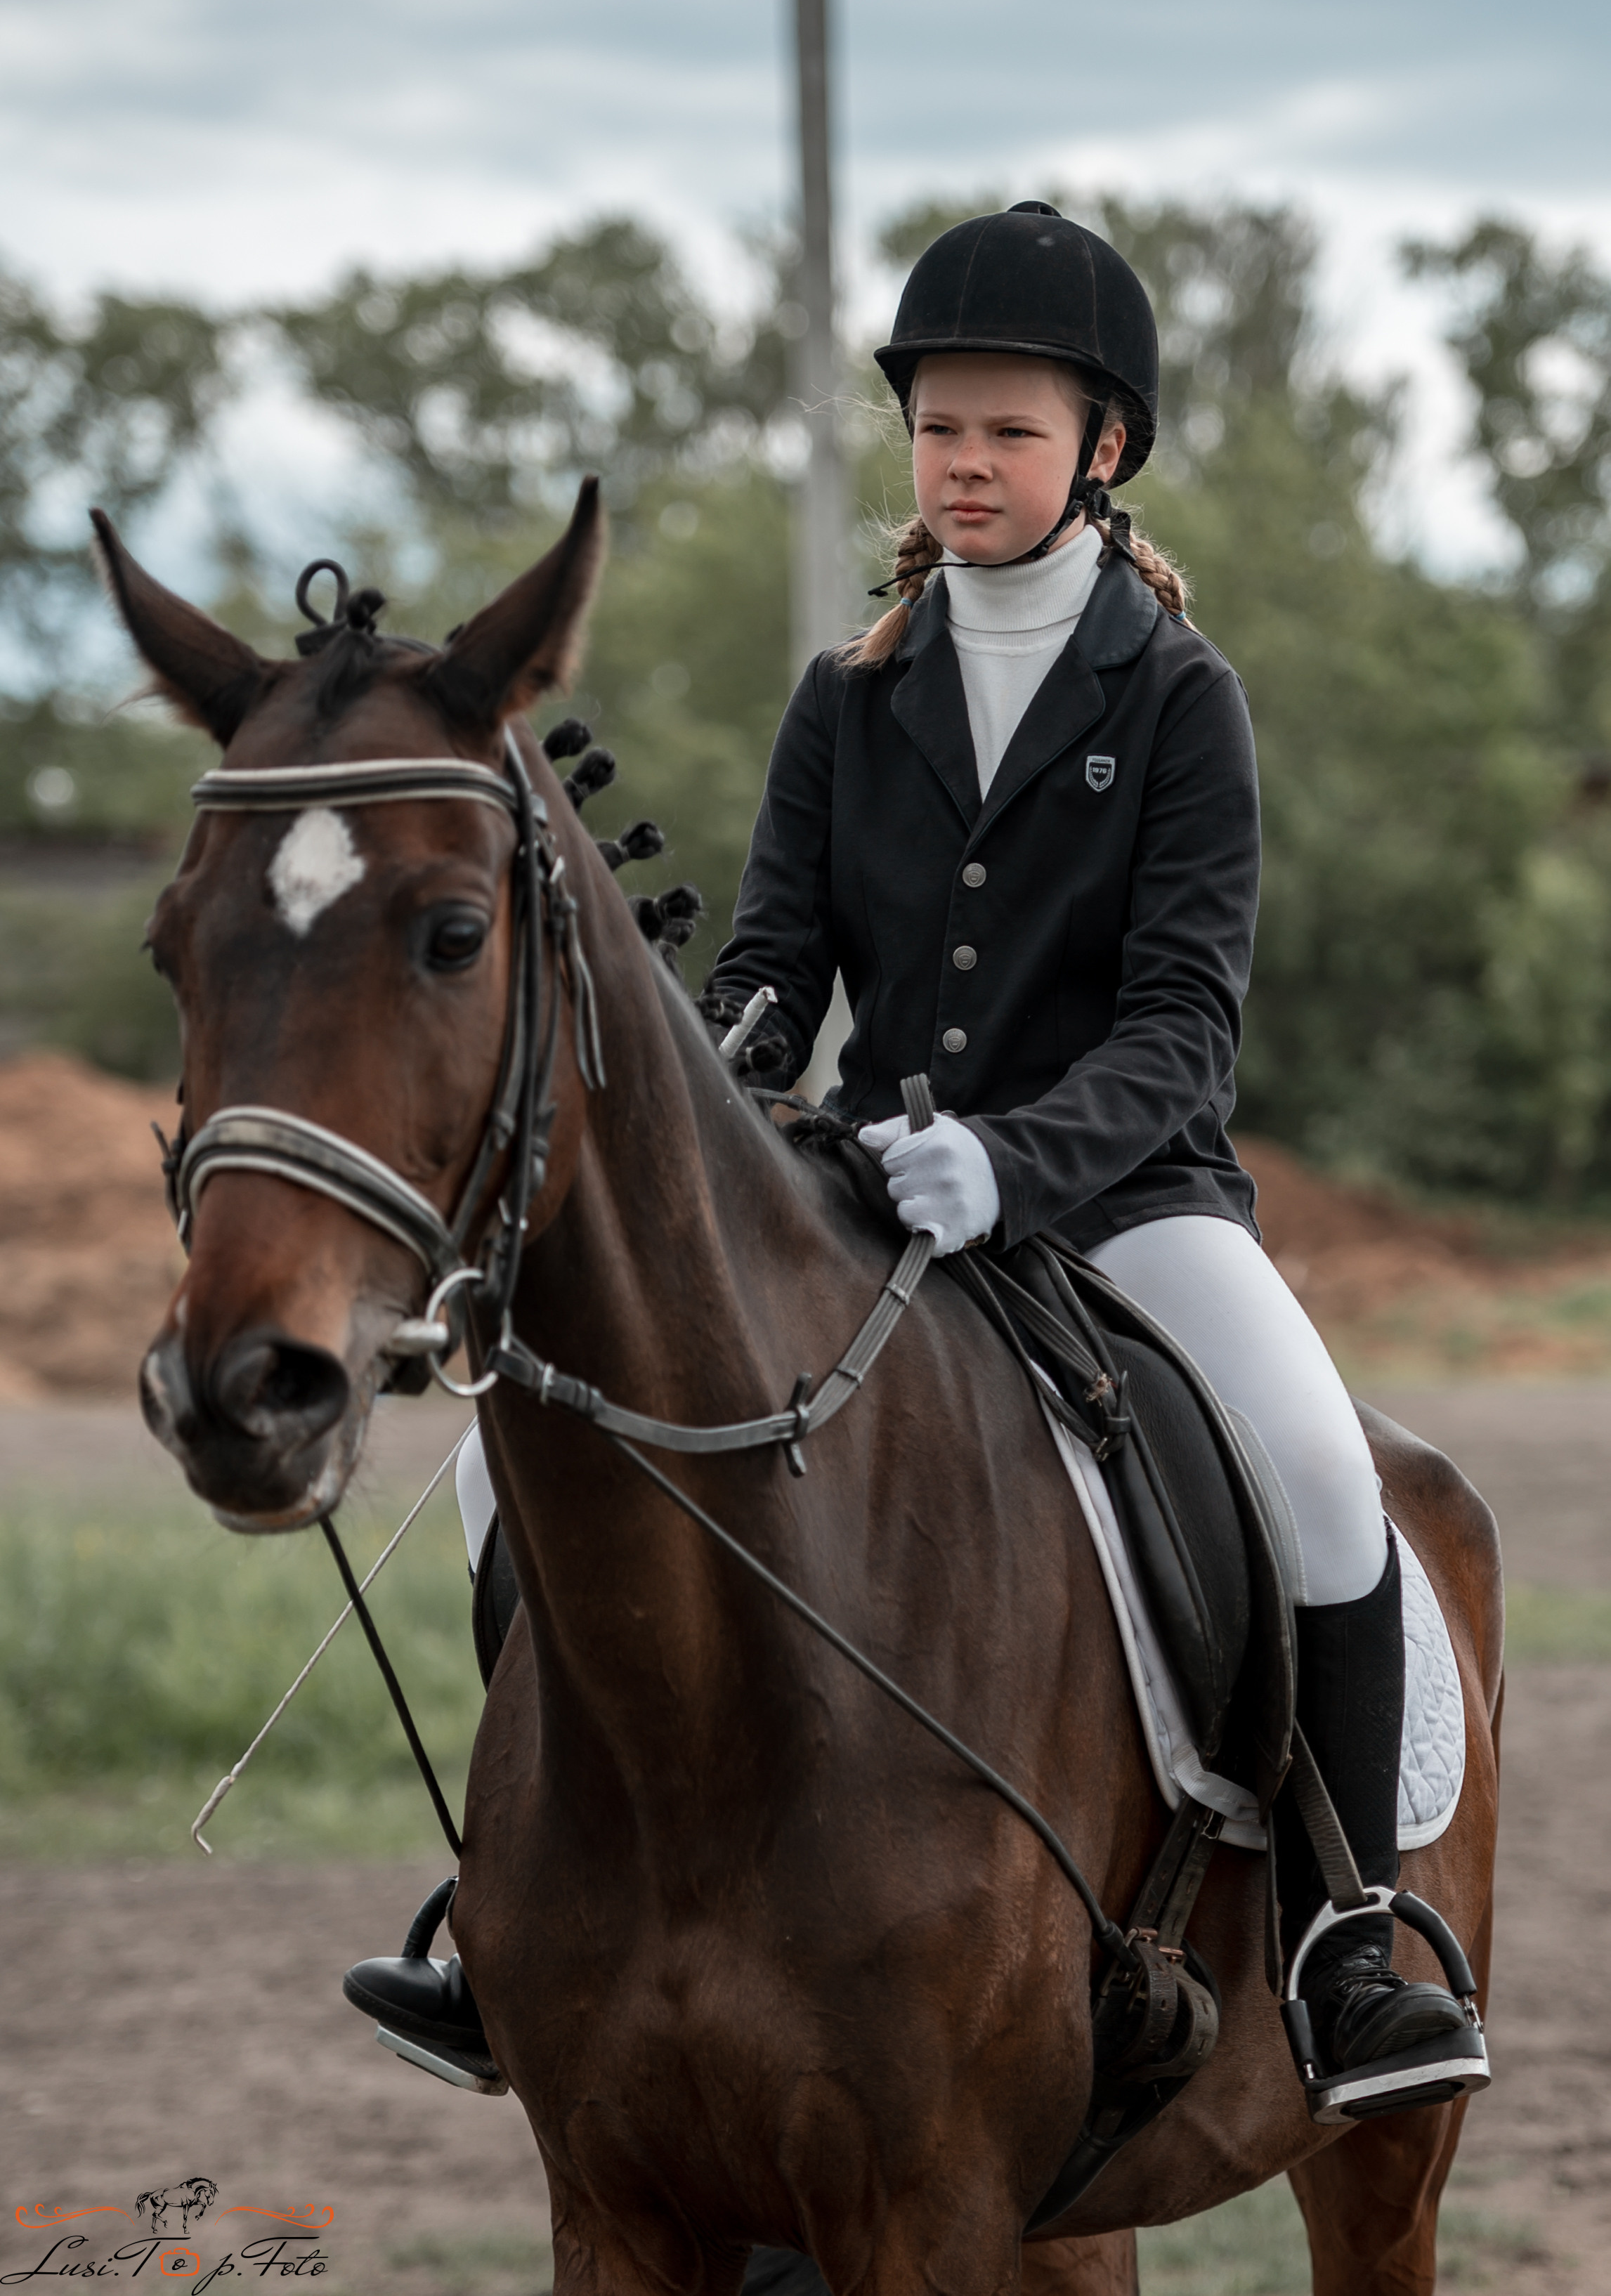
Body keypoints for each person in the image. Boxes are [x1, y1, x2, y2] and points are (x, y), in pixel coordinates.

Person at [345, 202, 1466, 2099]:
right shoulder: (848, 696)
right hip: (865, 1192)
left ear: (1103, 448)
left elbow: (1184, 1025)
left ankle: (1347, 1938)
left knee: (1317, 1473)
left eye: (1009, 430)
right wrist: (735, 1072)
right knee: (500, 1468)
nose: (964, 462)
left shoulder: (1180, 699)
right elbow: (776, 966)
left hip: (1126, 1204)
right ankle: (536, 1893)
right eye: (940, 426)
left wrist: (1017, 1163)